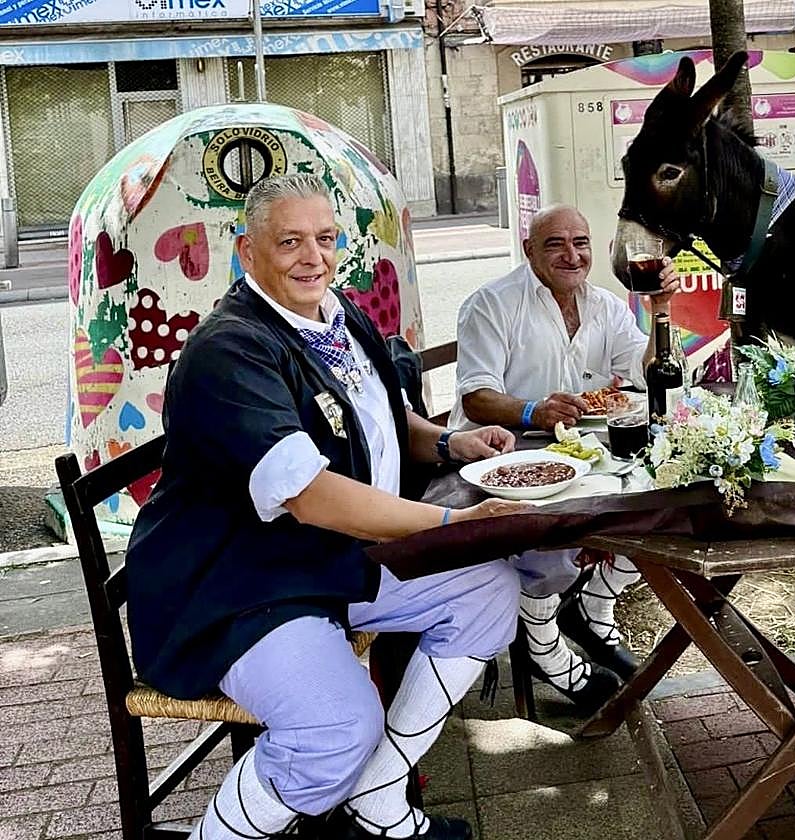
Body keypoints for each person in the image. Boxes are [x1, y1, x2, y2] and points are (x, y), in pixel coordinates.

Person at [126, 173, 528, 840]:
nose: (312, 256)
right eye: (289, 241)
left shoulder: (337, 315)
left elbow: (384, 416)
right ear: (246, 252)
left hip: (323, 562)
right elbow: (309, 495)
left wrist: (451, 442)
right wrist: (454, 526)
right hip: (234, 588)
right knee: (337, 724)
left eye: (325, 238)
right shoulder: (231, 349)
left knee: (487, 588)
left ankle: (377, 798)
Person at [451, 204, 680, 712]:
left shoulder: (605, 306)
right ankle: (542, 643)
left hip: (581, 454)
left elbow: (644, 373)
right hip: (501, 457)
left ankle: (594, 603)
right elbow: (476, 397)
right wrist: (534, 409)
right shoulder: (491, 304)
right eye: (555, 244)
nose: (571, 255)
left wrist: (661, 311)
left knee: (664, 504)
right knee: (553, 538)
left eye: (580, 243)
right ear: (529, 249)